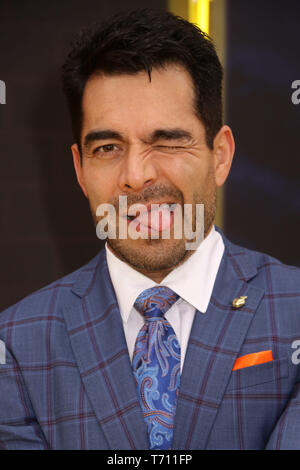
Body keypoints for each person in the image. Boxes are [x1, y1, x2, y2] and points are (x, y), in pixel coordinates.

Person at [0, 8, 299, 450]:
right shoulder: (17, 346)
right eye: (107, 147)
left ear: (220, 155)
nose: (136, 175)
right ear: (80, 169)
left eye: (167, 141)